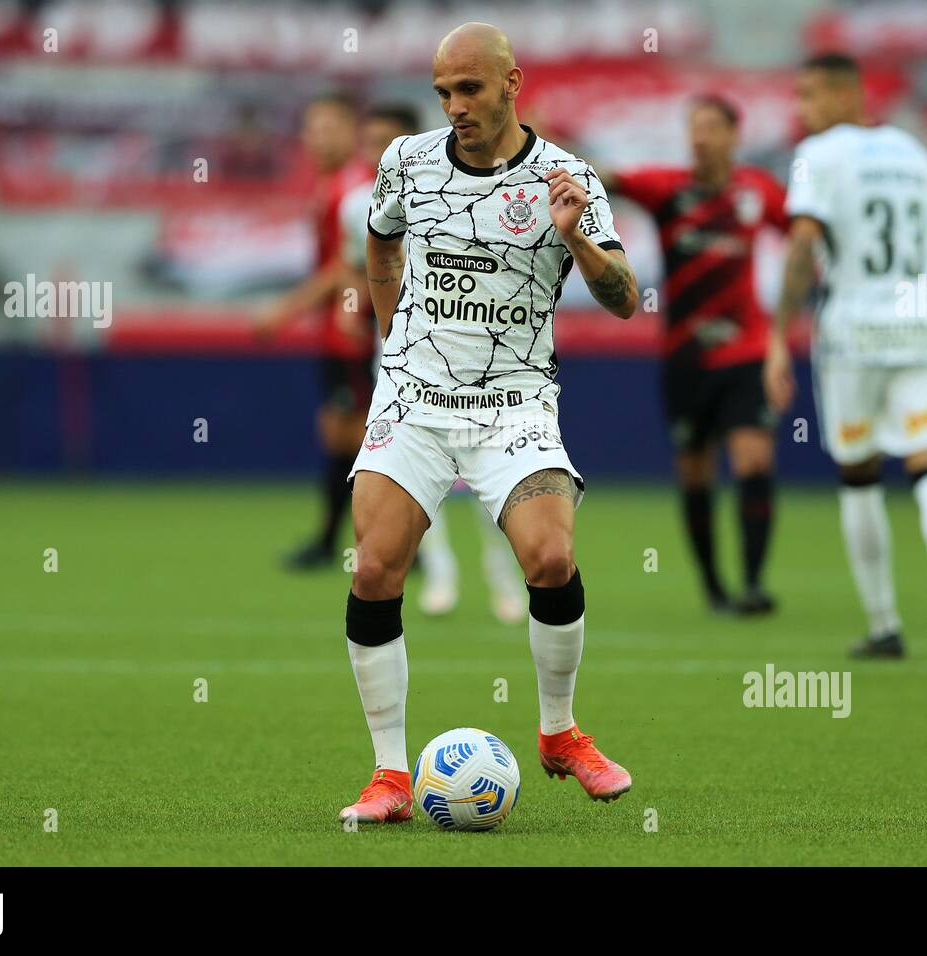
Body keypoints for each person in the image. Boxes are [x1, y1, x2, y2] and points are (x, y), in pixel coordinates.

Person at [339, 22, 640, 823]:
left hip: (514, 400)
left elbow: (626, 301)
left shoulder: (567, 178)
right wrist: (393, 345)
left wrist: (581, 242)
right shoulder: (405, 162)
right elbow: (379, 250)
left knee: (549, 558)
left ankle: (558, 732)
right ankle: (389, 777)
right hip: (415, 397)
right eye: (442, 92)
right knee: (373, 570)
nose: (454, 106)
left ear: (512, 83)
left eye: (468, 89)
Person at [763, 53, 927, 664]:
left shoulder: (820, 155)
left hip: (854, 330)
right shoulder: (910, 152)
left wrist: (779, 335)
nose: (801, 110)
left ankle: (885, 625)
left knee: (859, 476)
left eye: (808, 95)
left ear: (843, 96)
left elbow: (803, 243)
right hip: (918, 325)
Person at [334, 104, 526, 624]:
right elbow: (361, 265)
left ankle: (501, 576)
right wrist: (358, 313)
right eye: (368, 139)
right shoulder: (356, 205)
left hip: (477, 360)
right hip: (401, 362)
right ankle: (440, 572)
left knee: (492, 474)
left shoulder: (457, 186)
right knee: (418, 476)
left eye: (386, 139)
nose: (377, 151)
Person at [601, 95, 788, 615]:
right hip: (685, 356)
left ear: (734, 134)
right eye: (693, 127)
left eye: (711, 127)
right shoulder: (668, 188)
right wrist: (544, 148)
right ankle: (713, 587)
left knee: (753, 458)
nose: (700, 137)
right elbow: (606, 177)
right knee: (695, 470)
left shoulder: (757, 191)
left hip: (746, 350)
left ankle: (752, 583)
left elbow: (804, 232)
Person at [258, 92, 371, 570]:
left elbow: (348, 265)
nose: (318, 138)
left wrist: (284, 310)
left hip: (357, 327)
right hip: (335, 328)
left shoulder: (356, 187)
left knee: (361, 436)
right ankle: (345, 543)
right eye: (312, 129)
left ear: (351, 132)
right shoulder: (329, 185)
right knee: (341, 437)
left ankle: (384, 544)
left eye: (328, 128)